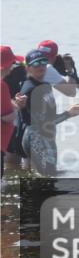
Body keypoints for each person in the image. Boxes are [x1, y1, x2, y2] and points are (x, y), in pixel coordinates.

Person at [17, 49, 79, 176]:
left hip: (44, 138)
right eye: (36, 64)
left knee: (41, 178)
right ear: (28, 68)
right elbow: (41, 124)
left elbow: (48, 117)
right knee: (50, 178)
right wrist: (68, 113)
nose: (41, 66)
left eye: (43, 62)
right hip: (37, 140)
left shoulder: (45, 84)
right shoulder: (30, 89)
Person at [1, 47, 26, 177]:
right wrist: (16, 109)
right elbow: (7, 117)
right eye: (11, 64)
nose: (12, 68)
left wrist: (15, 103)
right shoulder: (2, 86)